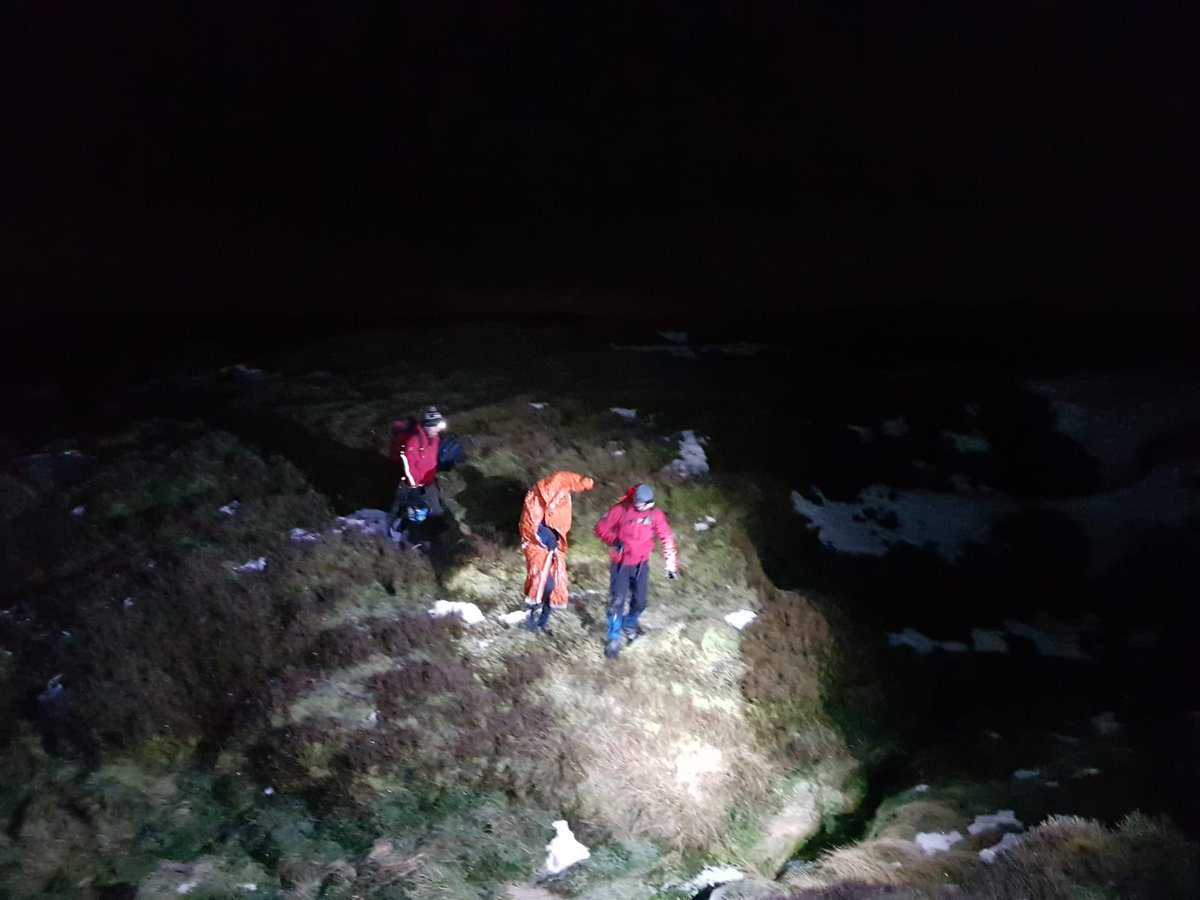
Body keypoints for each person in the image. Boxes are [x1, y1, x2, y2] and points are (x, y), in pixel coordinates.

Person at [593, 483, 678, 659]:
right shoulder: (621, 510)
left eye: (643, 504)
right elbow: (601, 528)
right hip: (621, 564)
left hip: (641, 564)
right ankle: (613, 638)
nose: (639, 506)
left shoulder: (655, 515)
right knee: (617, 601)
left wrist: (671, 565)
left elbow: (666, 537)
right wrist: (615, 541)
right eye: (637, 502)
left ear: (650, 503)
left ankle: (630, 623)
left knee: (640, 601)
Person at [519, 471, 595, 635]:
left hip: (553, 547)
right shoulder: (536, 498)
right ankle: (530, 618)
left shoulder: (562, 495)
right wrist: (545, 539)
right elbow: (530, 525)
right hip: (539, 547)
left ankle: (541, 624)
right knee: (542, 583)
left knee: (553, 587)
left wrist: (555, 540)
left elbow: (559, 522)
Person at [389, 405, 448, 545]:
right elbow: (408, 467)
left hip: (429, 484)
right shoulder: (414, 441)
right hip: (411, 485)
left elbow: (432, 460)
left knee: (436, 514)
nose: (438, 430)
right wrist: (414, 488)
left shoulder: (435, 439)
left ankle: (432, 542)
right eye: (436, 427)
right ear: (428, 425)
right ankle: (394, 538)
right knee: (406, 514)